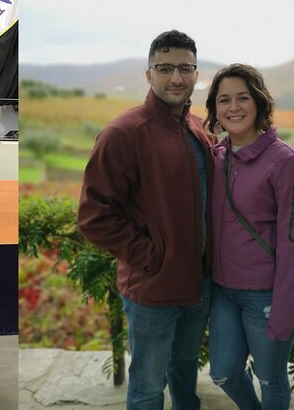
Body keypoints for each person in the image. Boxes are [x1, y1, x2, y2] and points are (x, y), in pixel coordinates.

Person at [77, 30, 214, 410]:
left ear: (196, 73)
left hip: (199, 284)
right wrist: (154, 256)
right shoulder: (124, 133)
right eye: (165, 68)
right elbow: (94, 216)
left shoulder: (199, 128)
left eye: (185, 69)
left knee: (185, 370)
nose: (176, 78)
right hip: (153, 289)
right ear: (148, 74)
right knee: (148, 387)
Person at [204, 64, 294, 409]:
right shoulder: (217, 157)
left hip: (265, 296)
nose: (233, 107)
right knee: (221, 372)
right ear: (215, 110)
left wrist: (284, 313)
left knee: (271, 378)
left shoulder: (287, 163)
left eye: (242, 98)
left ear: (260, 103)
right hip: (223, 291)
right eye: (224, 100)